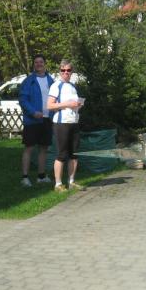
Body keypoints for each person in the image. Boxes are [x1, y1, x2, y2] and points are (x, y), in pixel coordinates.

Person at [47, 59, 84, 192]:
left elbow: (74, 104)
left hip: (74, 122)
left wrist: (78, 105)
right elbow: (49, 105)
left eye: (68, 70)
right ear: (60, 71)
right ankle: (58, 184)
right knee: (62, 154)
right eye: (63, 70)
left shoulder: (73, 86)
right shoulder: (56, 85)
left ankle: (71, 182)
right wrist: (67, 104)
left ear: (71, 71)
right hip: (61, 123)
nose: (66, 72)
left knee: (74, 154)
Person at [18, 54, 54, 187]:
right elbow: (23, 100)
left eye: (41, 62)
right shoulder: (29, 81)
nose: (39, 64)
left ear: (45, 64)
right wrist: (33, 112)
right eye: (36, 62)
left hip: (47, 119)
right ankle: (25, 178)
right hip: (32, 121)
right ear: (34, 65)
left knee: (44, 148)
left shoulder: (51, 80)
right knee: (29, 148)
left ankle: (41, 176)